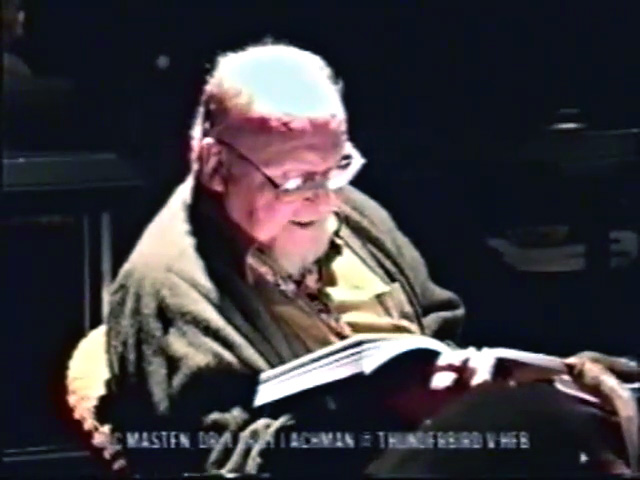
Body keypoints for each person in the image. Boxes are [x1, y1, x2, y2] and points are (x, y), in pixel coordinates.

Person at [65, 40, 639, 476]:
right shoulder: (169, 281)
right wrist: (381, 410)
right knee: (532, 424)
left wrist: (458, 374)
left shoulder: (350, 211)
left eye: (337, 166)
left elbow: (444, 323)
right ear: (216, 166)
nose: (323, 197)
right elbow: (207, 455)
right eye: (292, 178)